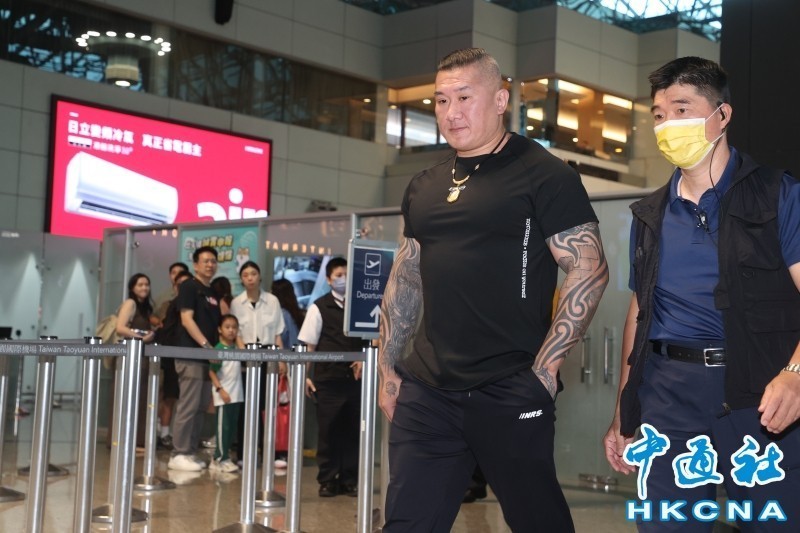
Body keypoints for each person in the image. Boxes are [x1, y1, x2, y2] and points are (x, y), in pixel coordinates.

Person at [377, 48, 608, 532]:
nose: (451, 112)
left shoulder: (545, 174)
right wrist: (389, 369)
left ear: (501, 100)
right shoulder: (424, 185)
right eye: (441, 100)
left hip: (510, 386)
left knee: (539, 524)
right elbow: (407, 276)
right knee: (407, 524)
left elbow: (588, 269)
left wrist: (545, 370)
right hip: (428, 390)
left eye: (465, 97)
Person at [602, 56, 800, 532]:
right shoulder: (650, 214)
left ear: (721, 115)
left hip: (758, 399)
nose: (668, 125)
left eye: (682, 109)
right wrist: (624, 411)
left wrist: (796, 375)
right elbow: (639, 312)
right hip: (667, 398)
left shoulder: (777, 195)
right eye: (659, 114)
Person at [298, 257, 364, 498]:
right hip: (327, 380)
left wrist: (364, 358)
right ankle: (327, 479)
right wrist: (304, 376)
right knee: (328, 431)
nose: (343, 279)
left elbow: (372, 337)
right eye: (338, 275)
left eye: (346, 274)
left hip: (355, 380)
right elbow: (309, 345)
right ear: (328, 279)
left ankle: (349, 479)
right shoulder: (319, 307)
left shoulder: (360, 305)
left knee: (353, 431)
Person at [168, 246, 222, 472]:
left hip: (207, 358)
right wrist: (206, 346)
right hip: (191, 354)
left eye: (213, 261)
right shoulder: (189, 287)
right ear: (196, 265)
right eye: (206, 261)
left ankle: (189, 452)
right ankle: (178, 452)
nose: (210, 265)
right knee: (188, 406)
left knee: (200, 407)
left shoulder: (212, 292)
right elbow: (187, 319)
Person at [229, 260, 285, 464]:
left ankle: (269, 453)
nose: (250, 278)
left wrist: (281, 359)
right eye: (245, 275)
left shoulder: (272, 300)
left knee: (267, 408)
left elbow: (277, 333)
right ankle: (244, 454)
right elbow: (236, 334)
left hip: (268, 355)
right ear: (241, 280)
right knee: (246, 408)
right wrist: (245, 355)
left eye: (253, 273)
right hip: (245, 358)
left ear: (260, 276)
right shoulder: (237, 303)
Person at [115, 273, 157, 449]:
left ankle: (136, 441)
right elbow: (120, 328)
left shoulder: (145, 308)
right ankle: (124, 440)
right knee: (129, 398)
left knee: (140, 399)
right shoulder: (130, 303)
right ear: (132, 287)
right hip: (131, 357)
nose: (144, 288)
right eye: (140, 284)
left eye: (146, 284)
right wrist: (142, 338)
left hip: (141, 357)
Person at [154, 269, 193, 450]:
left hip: (181, 356)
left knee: (173, 397)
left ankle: (165, 433)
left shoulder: (191, 304)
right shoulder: (172, 305)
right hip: (168, 357)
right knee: (166, 396)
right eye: (179, 285)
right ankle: (162, 433)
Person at [208, 314, 243, 474]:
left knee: (231, 429)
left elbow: (245, 353)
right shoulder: (218, 349)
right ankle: (219, 458)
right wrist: (220, 390)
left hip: (236, 395)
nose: (231, 330)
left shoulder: (236, 349)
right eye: (227, 327)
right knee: (223, 428)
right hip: (224, 395)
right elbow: (212, 372)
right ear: (220, 329)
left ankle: (225, 456)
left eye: (234, 327)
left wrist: (239, 338)